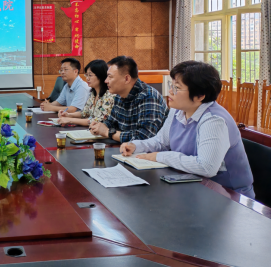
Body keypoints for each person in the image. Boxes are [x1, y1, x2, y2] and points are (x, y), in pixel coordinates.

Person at [120, 61, 255, 198]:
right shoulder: (177, 110)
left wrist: (160, 156)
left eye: (177, 88)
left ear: (200, 96)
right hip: (193, 187)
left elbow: (206, 167)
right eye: (171, 85)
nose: (170, 91)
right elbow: (161, 141)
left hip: (228, 196)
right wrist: (136, 146)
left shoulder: (214, 120)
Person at [90, 56, 166, 142]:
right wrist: (100, 126)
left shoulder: (148, 97)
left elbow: (145, 137)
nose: (106, 81)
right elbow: (112, 122)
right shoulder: (119, 95)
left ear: (126, 79)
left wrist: (108, 132)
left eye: (110, 77)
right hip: (125, 147)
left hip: (147, 150)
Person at [57, 59, 115, 126]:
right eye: (86, 75)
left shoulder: (109, 95)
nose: (87, 78)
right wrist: (68, 115)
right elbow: (85, 113)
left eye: (90, 75)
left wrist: (69, 120)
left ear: (100, 76)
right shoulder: (93, 93)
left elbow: (99, 121)